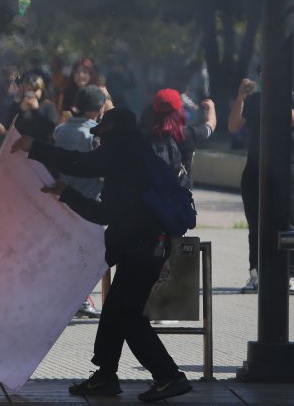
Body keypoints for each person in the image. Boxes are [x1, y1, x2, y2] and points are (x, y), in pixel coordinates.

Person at [11, 108, 193, 402]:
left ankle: (168, 375)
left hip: (144, 248)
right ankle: (106, 376)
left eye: (102, 136)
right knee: (114, 311)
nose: (100, 144)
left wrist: (37, 149)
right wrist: (67, 192)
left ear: (112, 131)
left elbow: (81, 168)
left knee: (129, 315)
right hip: (146, 246)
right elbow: (100, 197)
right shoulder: (137, 153)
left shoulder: (122, 156)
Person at [228, 75, 294, 293]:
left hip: (286, 171)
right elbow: (234, 126)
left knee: (288, 224)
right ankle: (256, 272)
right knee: (256, 225)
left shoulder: (289, 97)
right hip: (255, 170)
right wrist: (241, 97)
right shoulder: (255, 100)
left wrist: (282, 99)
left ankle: (290, 273)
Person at [53, 85, 110, 319]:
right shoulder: (94, 137)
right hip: (90, 200)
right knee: (93, 253)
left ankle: (75, 298)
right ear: (98, 108)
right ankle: (82, 299)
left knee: (73, 250)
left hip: (64, 196)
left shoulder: (60, 130)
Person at [145, 88, 216, 191]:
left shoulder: (145, 137)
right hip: (180, 198)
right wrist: (211, 108)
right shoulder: (188, 134)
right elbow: (210, 126)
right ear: (179, 111)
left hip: (152, 199)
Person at [57, 57, 99, 123]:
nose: (80, 75)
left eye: (85, 72)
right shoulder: (68, 93)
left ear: (91, 74)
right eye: (77, 71)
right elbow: (62, 119)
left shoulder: (99, 94)